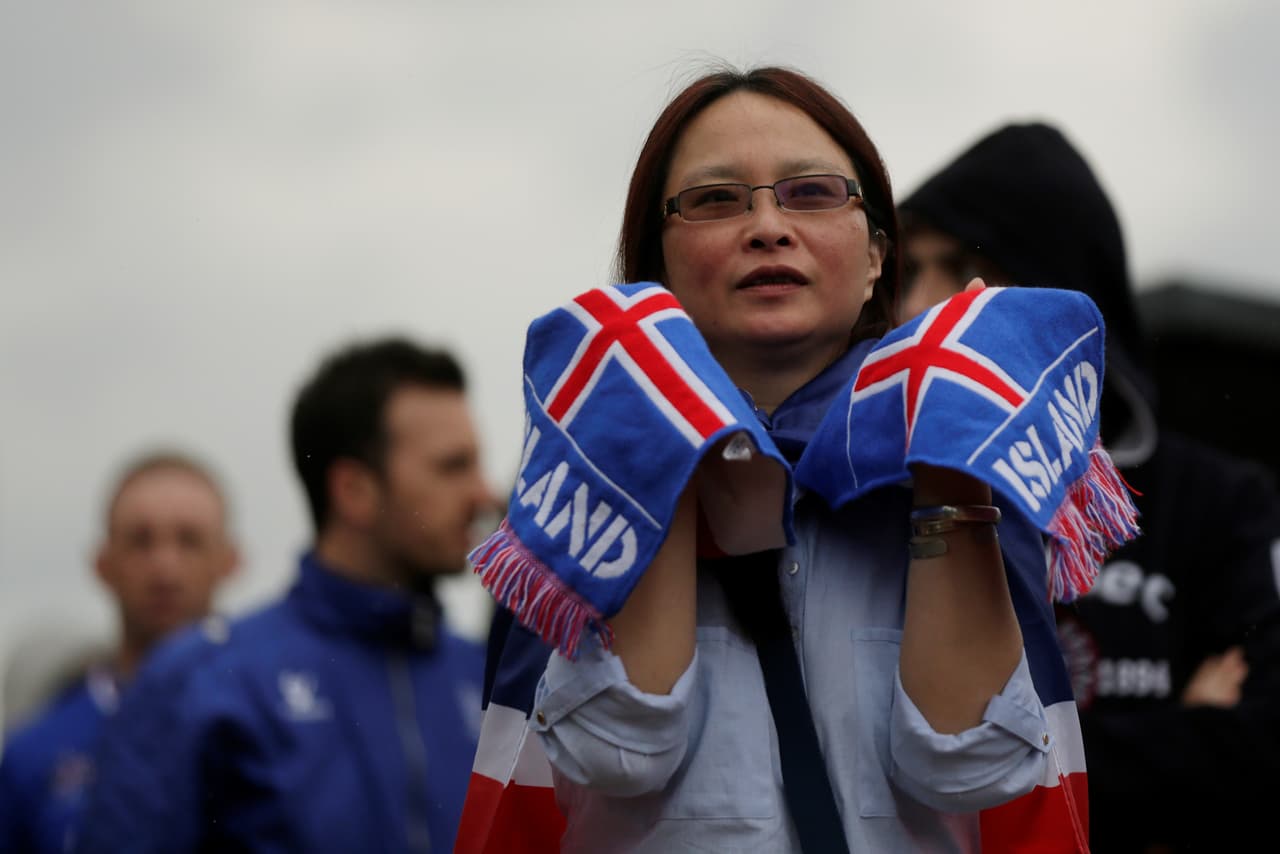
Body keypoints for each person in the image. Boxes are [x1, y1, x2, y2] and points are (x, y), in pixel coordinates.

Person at [460, 65, 1125, 854]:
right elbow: (616, 750)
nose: (768, 226)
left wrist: (950, 453)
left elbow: (974, 766)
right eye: (716, 200)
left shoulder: (972, 454)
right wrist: (651, 432)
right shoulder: (576, 477)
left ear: (879, 257)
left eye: (812, 193)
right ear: (655, 265)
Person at [897, 120, 1280, 852]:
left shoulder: (1218, 501)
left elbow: (1264, 745)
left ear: (1056, 281)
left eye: (967, 264)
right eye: (913, 269)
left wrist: (1014, 762)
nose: (927, 304)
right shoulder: (885, 495)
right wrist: (1182, 733)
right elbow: (893, 763)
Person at [74, 337, 496, 854]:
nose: (485, 493)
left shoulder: (486, 680)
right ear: (354, 492)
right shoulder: (199, 683)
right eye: (453, 466)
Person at [0, 450, 240, 854]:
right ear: (102, 563)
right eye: (141, 541)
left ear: (230, 561)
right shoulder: (33, 754)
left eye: (190, 540)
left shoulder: (281, 726)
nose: (165, 566)